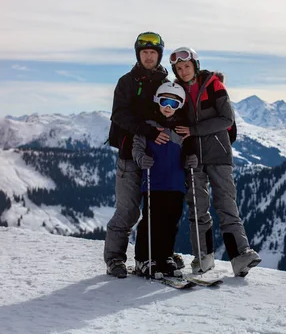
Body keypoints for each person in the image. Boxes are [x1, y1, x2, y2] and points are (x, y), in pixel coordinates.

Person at [170, 46, 262, 277]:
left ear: (195, 66)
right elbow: (176, 126)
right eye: (179, 68)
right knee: (197, 207)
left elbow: (226, 119)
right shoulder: (175, 91)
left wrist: (194, 130)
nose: (183, 71)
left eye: (187, 66)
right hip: (194, 158)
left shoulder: (213, 85)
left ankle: (240, 256)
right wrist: (186, 147)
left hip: (219, 155)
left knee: (227, 206)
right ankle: (203, 258)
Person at [104, 32, 179, 278]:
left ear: (159, 56)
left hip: (157, 158)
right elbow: (119, 115)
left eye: (153, 53)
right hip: (129, 154)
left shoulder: (165, 82)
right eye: (144, 52)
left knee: (157, 210)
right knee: (127, 211)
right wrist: (146, 130)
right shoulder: (126, 82)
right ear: (139, 55)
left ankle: (156, 254)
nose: (149, 56)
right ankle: (115, 259)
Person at [131, 82, 198, 277]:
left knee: (171, 221)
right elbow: (137, 147)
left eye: (174, 103)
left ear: (180, 106)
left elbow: (187, 154)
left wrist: (190, 160)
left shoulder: (181, 129)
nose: (168, 107)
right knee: (152, 221)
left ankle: (165, 256)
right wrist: (141, 158)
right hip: (154, 181)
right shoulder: (149, 126)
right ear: (157, 101)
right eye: (164, 101)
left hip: (176, 183)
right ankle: (143, 258)